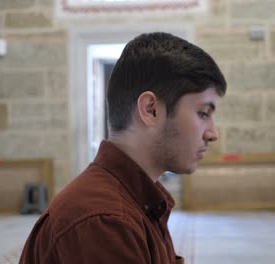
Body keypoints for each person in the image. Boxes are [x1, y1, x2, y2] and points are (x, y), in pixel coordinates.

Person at [19, 32, 226, 264]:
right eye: (203, 113)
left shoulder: (138, 199)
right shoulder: (104, 220)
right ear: (151, 110)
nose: (213, 133)